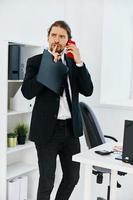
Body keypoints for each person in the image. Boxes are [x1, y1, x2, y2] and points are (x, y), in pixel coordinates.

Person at [21, 20, 93, 200]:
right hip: (47, 132)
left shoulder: (73, 64)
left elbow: (88, 90)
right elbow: (27, 92)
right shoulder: (36, 62)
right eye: (54, 35)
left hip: (70, 130)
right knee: (47, 181)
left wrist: (79, 62)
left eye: (62, 36)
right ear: (48, 37)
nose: (57, 39)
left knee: (72, 177)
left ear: (68, 40)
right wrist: (49, 67)